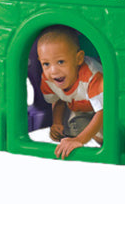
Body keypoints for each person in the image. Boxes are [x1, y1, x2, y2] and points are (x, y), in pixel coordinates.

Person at [36, 25, 103, 158]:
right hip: (80, 108)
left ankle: (101, 139)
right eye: (46, 64)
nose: (53, 71)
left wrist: (79, 140)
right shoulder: (48, 79)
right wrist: (57, 123)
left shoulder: (92, 76)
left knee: (108, 132)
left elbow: (103, 111)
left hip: (107, 110)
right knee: (73, 126)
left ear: (79, 59)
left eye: (60, 62)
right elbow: (59, 100)